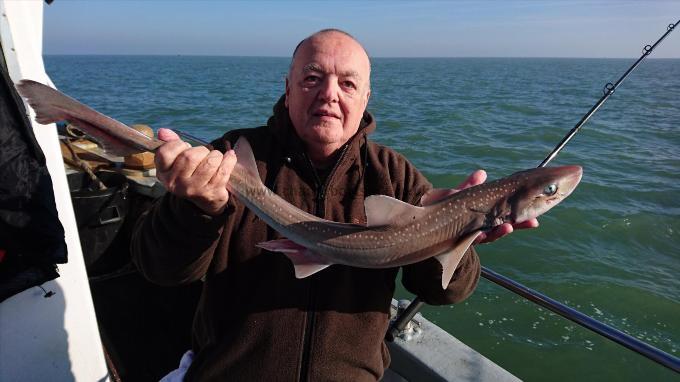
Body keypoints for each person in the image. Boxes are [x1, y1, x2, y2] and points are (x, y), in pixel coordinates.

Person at [131, 29, 537, 381]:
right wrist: (194, 209)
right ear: (287, 87)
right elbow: (160, 269)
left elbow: (444, 291)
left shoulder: (394, 175)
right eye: (312, 78)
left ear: (365, 97)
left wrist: (456, 234)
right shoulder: (233, 159)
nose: (329, 95)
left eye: (347, 84)